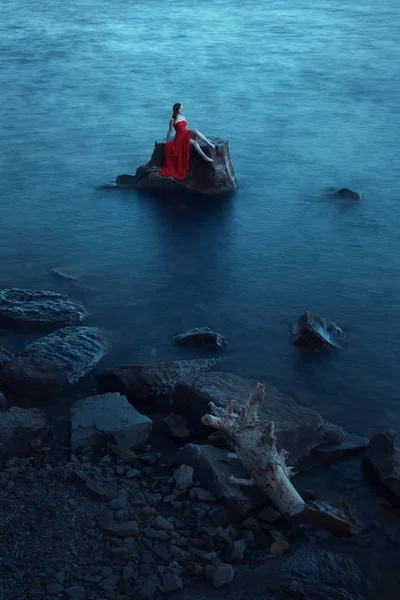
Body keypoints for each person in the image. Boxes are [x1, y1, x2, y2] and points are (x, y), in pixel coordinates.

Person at [159, 103, 215, 180]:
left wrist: (191, 134)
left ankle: (209, 143)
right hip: (180, 138)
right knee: (195, 143)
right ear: (177, 109)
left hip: (185, 133)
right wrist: (167, 140)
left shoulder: (183, 117)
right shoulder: (172, 120)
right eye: (181, 108)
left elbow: (186, 128)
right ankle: (205, 157)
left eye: (182, 108)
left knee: (194, 130)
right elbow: (170, 131)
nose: (182, 110)